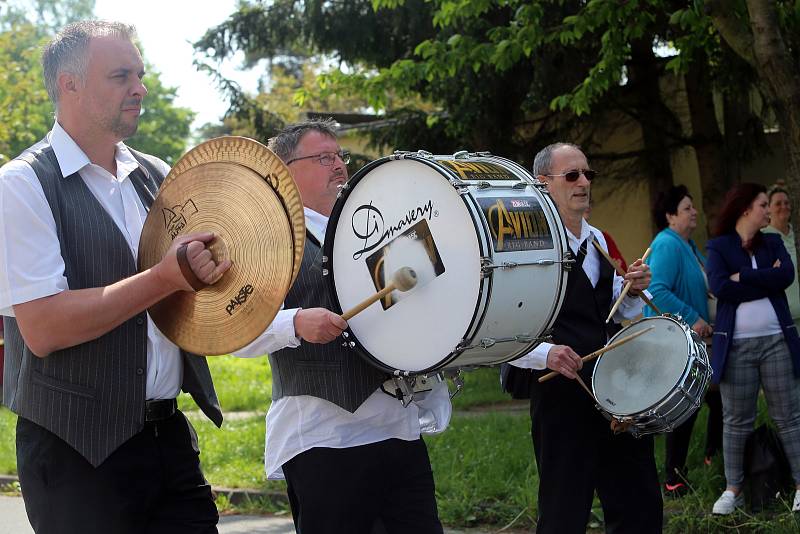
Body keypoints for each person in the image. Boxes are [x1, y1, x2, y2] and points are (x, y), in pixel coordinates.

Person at [0, 21, 230, 533]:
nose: (140, 89)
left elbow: (186, 290)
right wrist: (166, 277)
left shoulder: (155, 173)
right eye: (121, 75)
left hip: (168, 437)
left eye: (140, 75)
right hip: (75, 452)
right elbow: (43, 328)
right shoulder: (21, 185)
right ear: (69, 84)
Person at [233, 119, 451, 534]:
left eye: (339, 157)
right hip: (324, 439)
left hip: (398, 429)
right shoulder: (267, 242)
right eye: (323, 158)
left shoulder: (376, 229)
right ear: (284, 172)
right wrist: (295, 323)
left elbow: (440, 307)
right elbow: (236, 329)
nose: (338, 166)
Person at [504, 143, 662, 533]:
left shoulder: (601, 242)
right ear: (543, 185)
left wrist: (635, 289)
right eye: (572, 175)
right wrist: (546, 354)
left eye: (588, 174)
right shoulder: (525, 247)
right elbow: (504, 330)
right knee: (564, 507)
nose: (584, 182)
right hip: (561, 392)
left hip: (617, 386)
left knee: (638, 499)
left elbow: (622, 312)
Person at [706, 183, 800, 515]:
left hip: (777, 342)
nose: (767, 210)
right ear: (746, 208)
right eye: (763, 204)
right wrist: (763, 280)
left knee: (789, 416)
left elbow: (786, 276)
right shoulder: (718, 247)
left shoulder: (773, 242)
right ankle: (734, 490)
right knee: (736, 420)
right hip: (736, 348)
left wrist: (742, 277)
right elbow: (718, 287)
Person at [645, 185, 722, 495]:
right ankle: (673, 477)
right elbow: (656, 291)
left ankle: (710, 459)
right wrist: (694, 317)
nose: (694, 212)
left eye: (693, 207)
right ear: (670, 215)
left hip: (700, 342)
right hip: (680, 342)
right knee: (687, 406)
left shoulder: (688, 246)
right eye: (687, 207)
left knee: (718, 400)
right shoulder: (667, 244)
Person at [764, 184, 800, 330]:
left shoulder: (797, 235)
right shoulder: (763, 239)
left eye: (786, 203)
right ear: (768, 209)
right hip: (781, 321)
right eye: (778, 203)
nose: (784, 206)